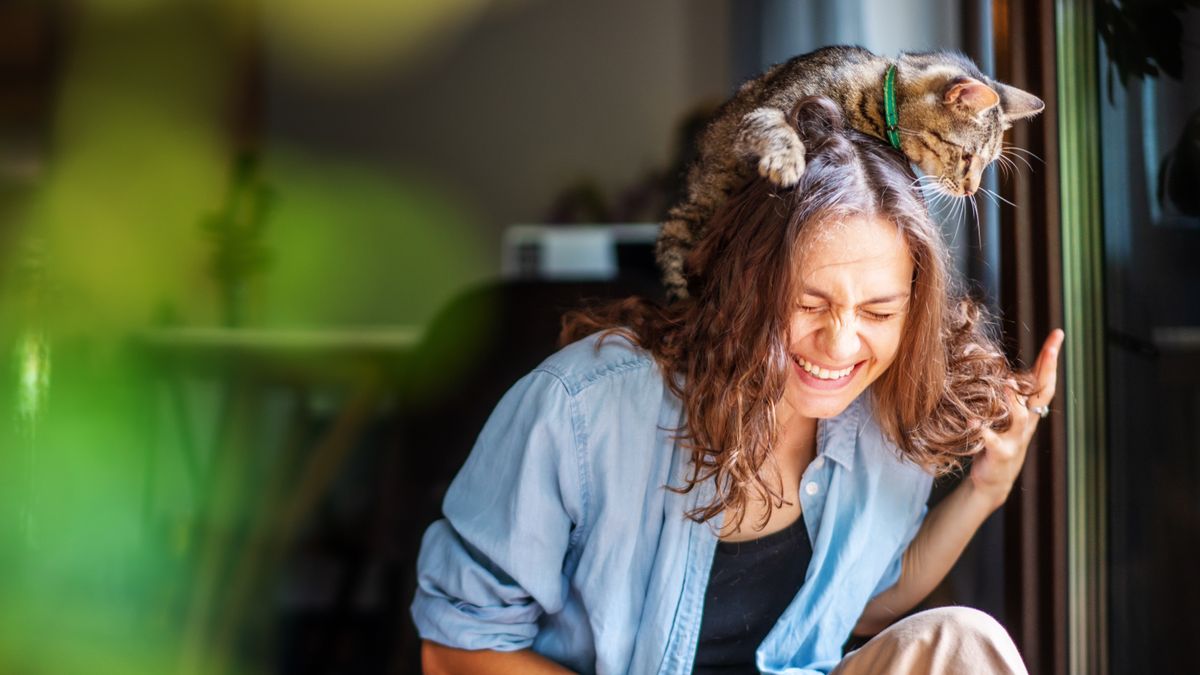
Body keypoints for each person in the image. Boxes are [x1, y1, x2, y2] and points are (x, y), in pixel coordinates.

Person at [410, 97, 1064, 674]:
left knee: (964, 644)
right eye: (809, 303)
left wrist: (988, 487)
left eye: (877, 312)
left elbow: (862, 605)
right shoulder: (582, 406)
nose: (839, 345)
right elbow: (451, 648)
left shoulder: (885, 416)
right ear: (746, 283)